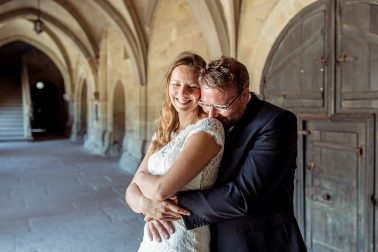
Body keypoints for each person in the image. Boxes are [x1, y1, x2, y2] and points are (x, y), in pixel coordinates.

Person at [141, 56, 307, 252]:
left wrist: (167, 207)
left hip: (259, 240)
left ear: (245, 94)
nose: (211, 115)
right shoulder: (203, 123)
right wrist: (148, 206)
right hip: (210, 236)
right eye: (205, 103)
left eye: (221, 106)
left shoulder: (275, 122)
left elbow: (243, 195)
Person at [125, 52, 225, 252]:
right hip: (153, 233)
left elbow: (162, 189)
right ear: (168, 85)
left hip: (183, 238)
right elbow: (129, 191)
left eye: (191, 87)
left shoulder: (208, 129)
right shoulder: (165, 129)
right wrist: (148, 206)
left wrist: (142, 180)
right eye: (176, 84)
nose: (181, 93)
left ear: (202, 92)